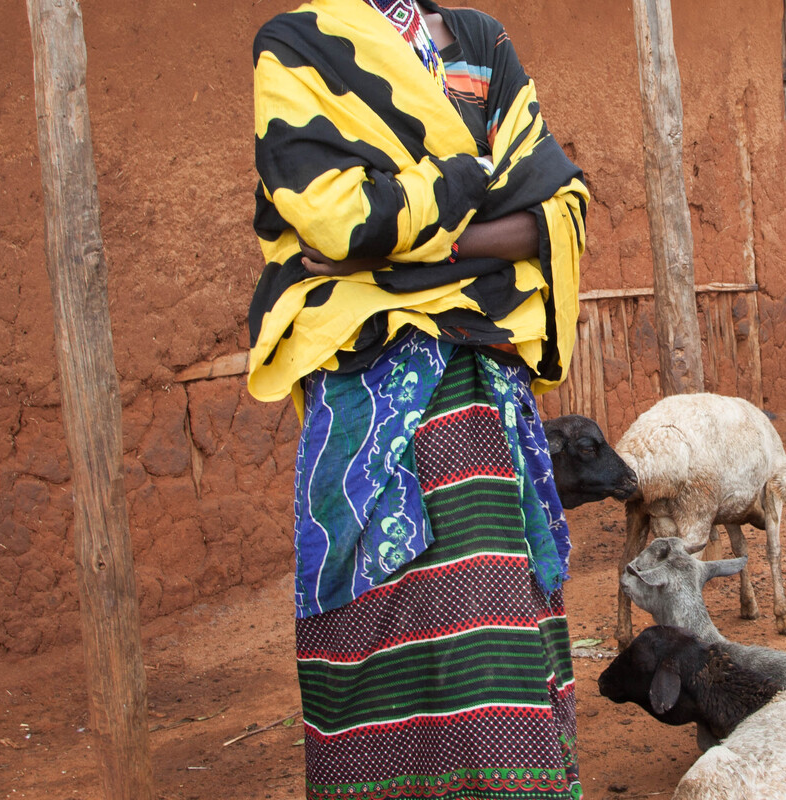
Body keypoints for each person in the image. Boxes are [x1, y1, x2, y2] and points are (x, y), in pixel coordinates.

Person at [247, 0, 588, 797]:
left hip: (484, 386)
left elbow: (560, 207)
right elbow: (337, 217)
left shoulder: (478, 41)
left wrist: (423, 241)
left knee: (497, 622)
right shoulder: (299, 44)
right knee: (384, 613)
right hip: (373, 386)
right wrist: (483, 188)